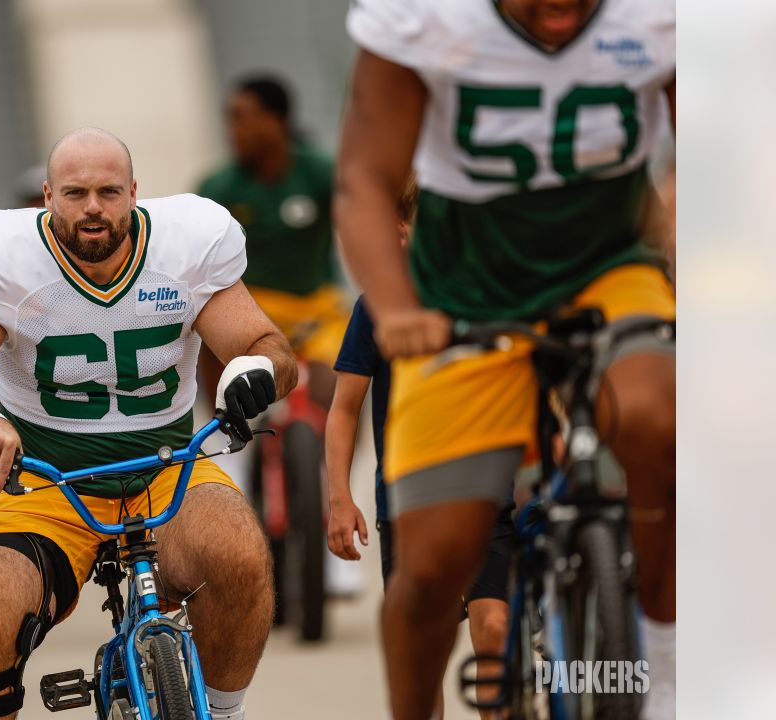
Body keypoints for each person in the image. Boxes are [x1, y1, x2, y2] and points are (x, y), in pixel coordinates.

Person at [336, 1, 676, 718]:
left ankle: (666, 654)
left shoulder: (657, 16)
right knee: (431, 569)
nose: (563, 11)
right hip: (465, 291)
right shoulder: (426, 21)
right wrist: (399, 311)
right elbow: (364, 181)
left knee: (656, 417)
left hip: (607, 268)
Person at [0, 127, 296, 720]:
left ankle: (224, 709)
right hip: (45, 481)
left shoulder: (187, 243)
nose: (93, 207)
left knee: (239, 554)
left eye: (109, 192)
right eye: (76, 192)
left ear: (135, 192)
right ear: (46, 196)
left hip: (167, 468)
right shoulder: (3, 256)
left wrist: (253, 368)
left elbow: (268, 343)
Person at [324, 179, 510, 719]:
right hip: (409, 503)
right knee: (423, 657)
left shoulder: (495, 299)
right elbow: (342, 410)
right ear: (401, 233)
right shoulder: (377, 308)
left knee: (494, 628)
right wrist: (340, 497)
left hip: (492, 495)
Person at [197, 75, 347, 408]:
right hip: (254, 309)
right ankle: (220, 429)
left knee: (331, 390)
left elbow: (362, 217)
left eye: (240, 117)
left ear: (274, 121)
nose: (231, 129)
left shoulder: (319, 172)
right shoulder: (219, 187)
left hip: (315, 306)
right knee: (205, 330)